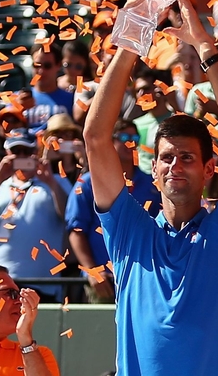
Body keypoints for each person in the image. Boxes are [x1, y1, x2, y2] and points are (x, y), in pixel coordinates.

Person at [83, 0, 218, 375]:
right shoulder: (128, 232)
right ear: (153, 168)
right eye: (166, 158)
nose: (175, 165)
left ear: (211, 169)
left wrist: (204, 44)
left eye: (188, 157)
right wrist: (132, 38)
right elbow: (95, 137)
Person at [66, 120, 161, 303]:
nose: (130, 143)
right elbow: (76, 231)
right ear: (110, 142)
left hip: (143, 279)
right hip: (103, 282)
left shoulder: (152, 185)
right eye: (124, 137)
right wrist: (92, 270)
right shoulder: (88, 183)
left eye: (135, 138)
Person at [0, 128, 71, 302]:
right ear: (6, 153)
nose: (20, 156)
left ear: (35, 153)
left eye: (26, 152)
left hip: (41, 282)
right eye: (15, 152)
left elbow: (69, 216)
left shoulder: (56, 181)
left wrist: (50, 181)